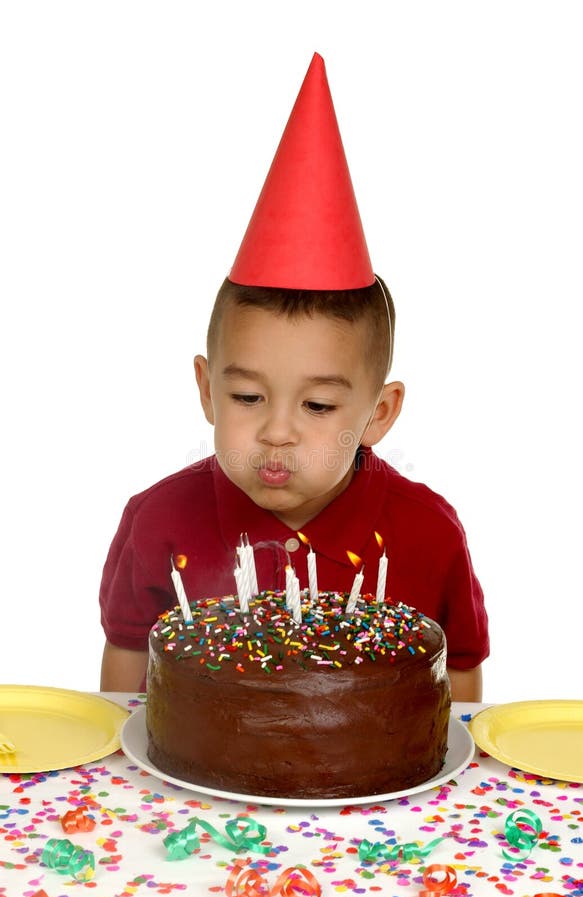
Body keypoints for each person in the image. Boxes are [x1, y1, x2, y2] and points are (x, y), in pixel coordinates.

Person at [99, 53, 489, 699]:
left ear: (379, 413)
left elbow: (462, 679)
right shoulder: (157, 523)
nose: (275, 431)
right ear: (205, 390)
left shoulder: (428, 534)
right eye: (247, 396)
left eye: (316, 407)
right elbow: (125, 666)